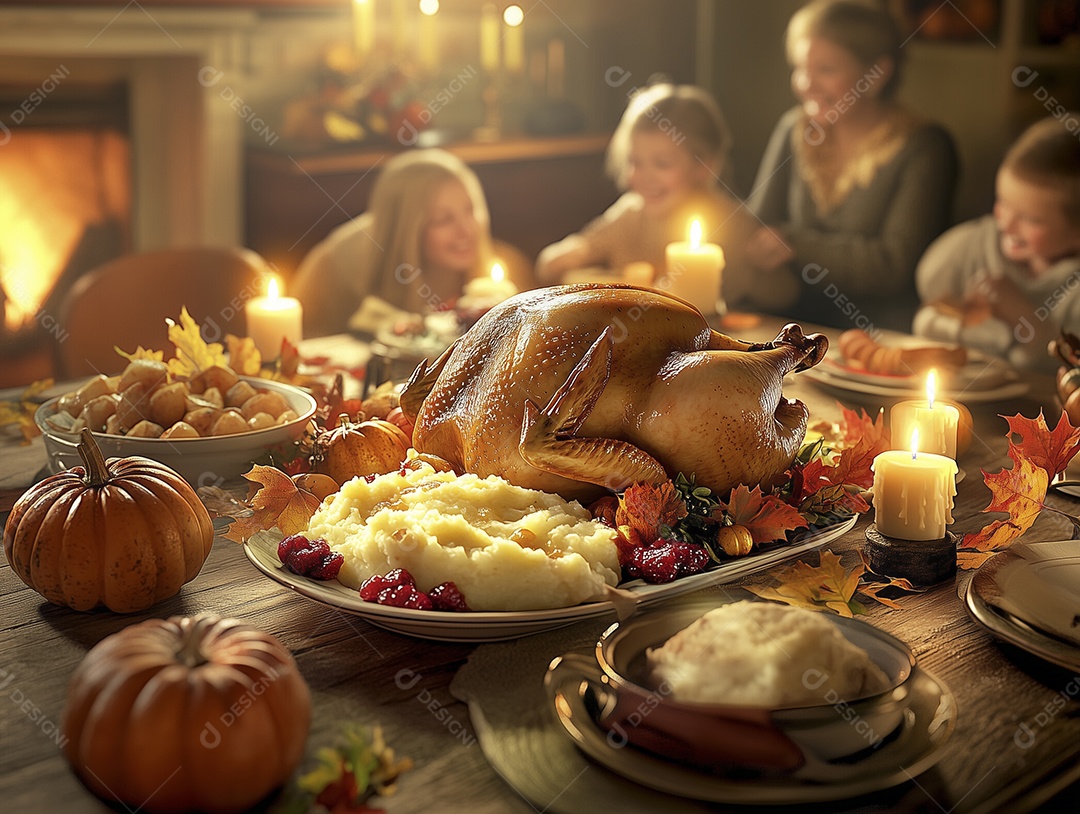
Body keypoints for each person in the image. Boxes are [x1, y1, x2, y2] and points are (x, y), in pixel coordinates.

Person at [745, 0, 959, 332]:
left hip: (879, 339)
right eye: (801, 68)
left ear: (877, 74)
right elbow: (756, 225)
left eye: (826, 70)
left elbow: (892, 268)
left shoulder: (926, 147)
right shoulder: (794, 127)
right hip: (789, 326)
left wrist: (794, 244)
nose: (806, 84)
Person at [535, 83, 758, 308]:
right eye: (635, 162)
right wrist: (570, 254)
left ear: (704, 166)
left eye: (661, 164)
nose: (643, 177)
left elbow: (781, 295)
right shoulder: (630, 214)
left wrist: (763, 265)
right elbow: (555, 261)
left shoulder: (732, 222)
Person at [292, 148, 530, 337]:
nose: (466, 230)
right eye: (443, 219)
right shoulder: (333, 267)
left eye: (470, 211)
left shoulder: (510, 269)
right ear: (406, 230)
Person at [914, 115, 1080, 372]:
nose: (1006, 224)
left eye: (1030, 219)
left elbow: (1058, 368)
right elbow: (929, 295)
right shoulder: (975, 246)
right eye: (1002, 203)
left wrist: (1022, 314)